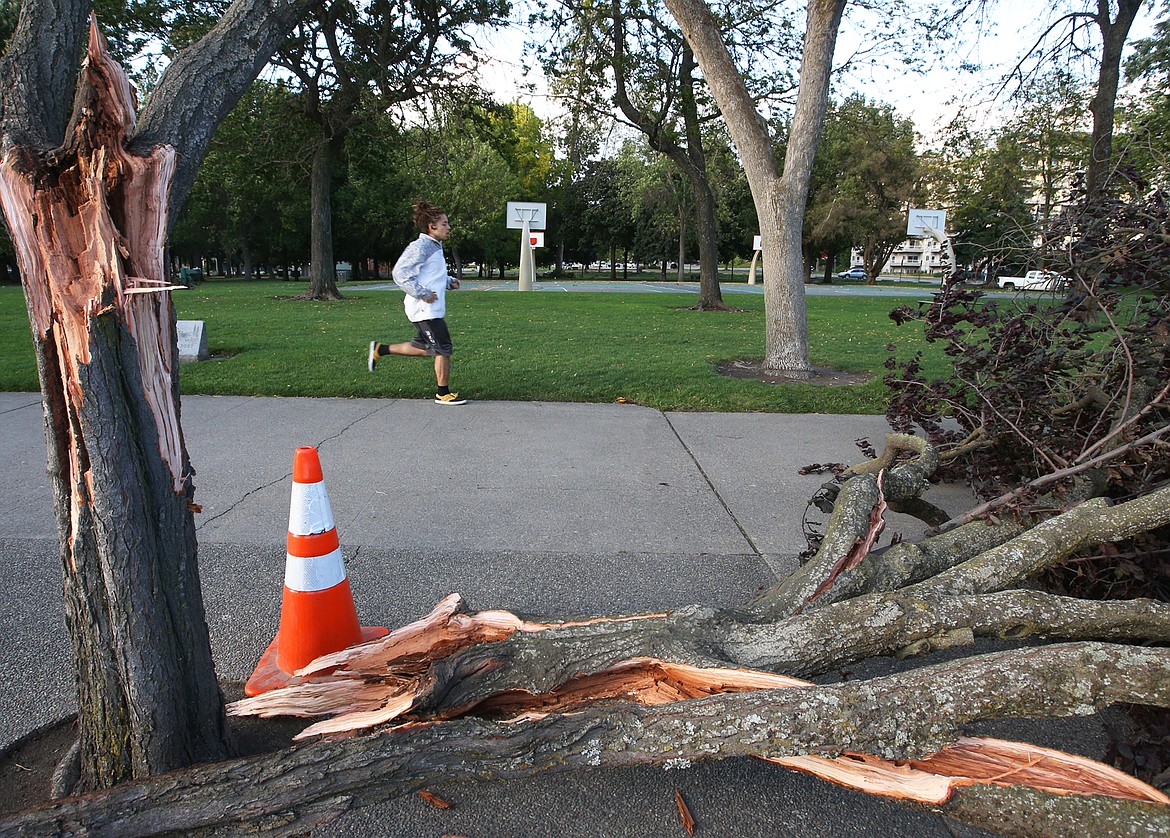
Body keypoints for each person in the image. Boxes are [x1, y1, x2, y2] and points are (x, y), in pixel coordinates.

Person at [368, 199, 466, 405]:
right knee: (443, 349)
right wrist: (422, 293)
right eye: (445, 224)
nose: (449, 227)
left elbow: (430, 275)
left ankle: (380, 349)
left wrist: (449, 282)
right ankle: (443, 393)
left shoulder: (434, 246)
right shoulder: (421, 246)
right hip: (424, 309)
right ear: (432, 227)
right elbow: (400, 273)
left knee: (425, 348)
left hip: (429, 309)